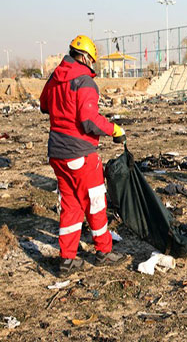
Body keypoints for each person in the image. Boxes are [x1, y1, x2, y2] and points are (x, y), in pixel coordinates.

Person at [40, 35, 127, 277]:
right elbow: (89, 120)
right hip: (80, 153)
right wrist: (114, 130)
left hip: (57, 153)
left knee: (70, 205)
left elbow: (43, 105)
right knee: (96, 201)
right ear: (87, 57)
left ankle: (67, 259)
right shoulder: (85, 82)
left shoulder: (56, 77)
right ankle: (104, 251)